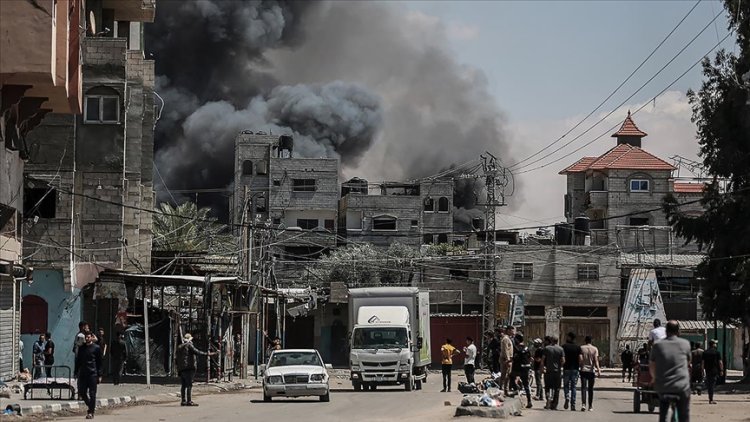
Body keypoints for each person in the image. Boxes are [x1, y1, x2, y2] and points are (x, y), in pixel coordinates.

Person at [649, 320, 691, 422]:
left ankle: (663, 418)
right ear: (678, 332)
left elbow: (652, 364)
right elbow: (688, 362)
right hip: (681, 386)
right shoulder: (685, 344)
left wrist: (654, 378)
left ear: (666, 331)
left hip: (663, 385)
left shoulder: (657, 345)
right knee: (684, 415)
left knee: (663, 410)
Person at [176, 333, 215, 406]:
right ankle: (189, 401)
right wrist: (208, 354)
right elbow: (198, 352)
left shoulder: (179, 347)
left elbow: (176, 359)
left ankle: (183, 401)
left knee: (183, 385)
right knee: (189, 385)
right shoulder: (189, 345)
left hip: (182, 369)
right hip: (189, 368)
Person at [75, 331, 103, 419]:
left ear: (92, 337)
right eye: (86, 337)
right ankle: (90, 405)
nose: (87, 338)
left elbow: (100, 362)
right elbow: (78, 361)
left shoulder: (96, 348)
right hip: (83, 374)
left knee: (92, 393)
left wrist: (100, 375)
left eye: (89, 337)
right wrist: (76, 372)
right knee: (82, 392)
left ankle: (91, 412)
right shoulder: (81, 348)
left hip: (92, 374)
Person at [542, 335, 565, 410]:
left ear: (551, 340)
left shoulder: (547, 348)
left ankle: (548, 397)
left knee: (547, 386)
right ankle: (554, 404)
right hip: (557, 371)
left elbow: (543, 360)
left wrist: (542, 368)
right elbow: (563, 361)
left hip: (548, 370)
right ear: (557, 341)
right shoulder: (560, 349)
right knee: (557, 388)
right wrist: (559, 365)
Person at [561, 331, 582, 411]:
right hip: (575, 369)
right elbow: (580, 359)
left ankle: (567, 396)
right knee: (573, 387)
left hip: (566, 369)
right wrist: (579, 366)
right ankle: (573, 404)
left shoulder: (564, 347)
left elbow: (562, 358)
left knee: (566, 385)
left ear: (569, 337)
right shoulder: (577, 347)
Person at [511, 334, 533, 409]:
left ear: (517, 340)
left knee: (512, 379)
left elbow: (515, 358)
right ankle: (529, 401)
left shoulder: (517, 348)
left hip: (519, 368)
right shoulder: (526, 348)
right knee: (526, 384)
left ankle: (516, 396)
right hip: (526, 367)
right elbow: (530, 358)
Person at [579, 335, 601, 411]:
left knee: (583, 388)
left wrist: (581, 366)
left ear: (585, 341)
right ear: (591, 341)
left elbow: (581, 359)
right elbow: (595, 360)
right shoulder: (595, 349)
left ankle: (583, 404)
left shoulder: (581, 348)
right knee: (591, 389)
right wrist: (598, 369)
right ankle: (590, 406)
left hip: (583, 370)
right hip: (591, 371)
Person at [702, 339, 724, 405]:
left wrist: (702, 370)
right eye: (715, 343)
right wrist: (721, 370)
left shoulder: (705, 352)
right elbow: (720, 362)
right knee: (712, 384)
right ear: (713, 344)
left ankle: (710, 397)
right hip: (714, 370)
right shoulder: (717, 352)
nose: (716, 344)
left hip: (707, 370)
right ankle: (711, 399)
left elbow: (703, 362)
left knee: (710, 383)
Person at [500, 325, 515, 395]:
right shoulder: (506, 339)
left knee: (508, 375)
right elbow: (505, 350)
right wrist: (508, 360)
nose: (513, 332)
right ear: (508, 330)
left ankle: (506, 390)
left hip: (509, 359)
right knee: (505, 374)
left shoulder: (509, 338)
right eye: (512, 330)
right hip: (506, 359)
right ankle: (502, 389)